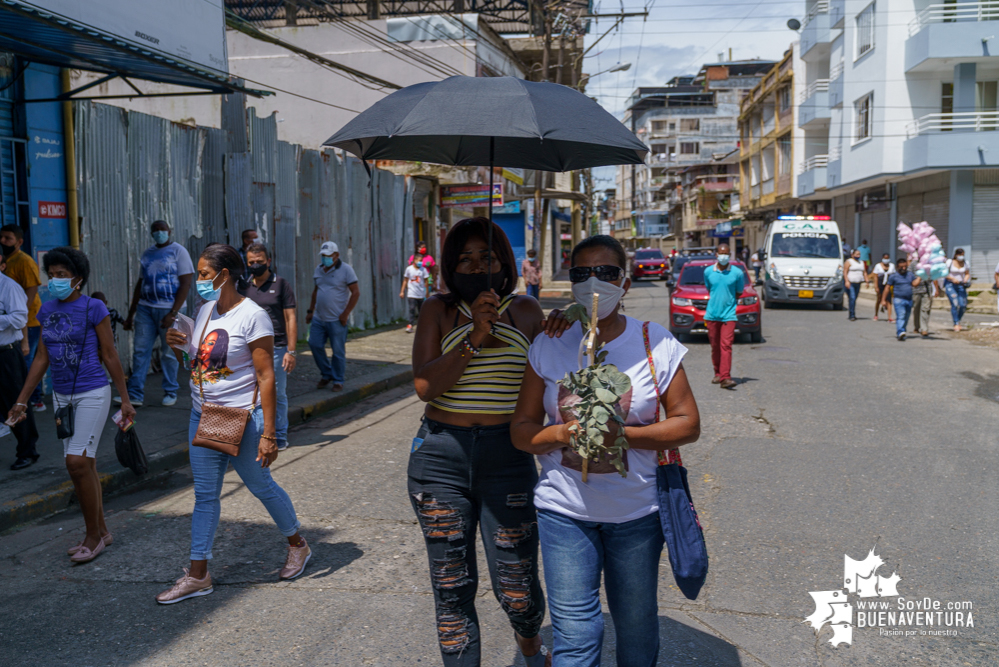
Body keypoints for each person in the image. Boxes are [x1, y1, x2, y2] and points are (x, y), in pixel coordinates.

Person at [511, 234, 701, 667]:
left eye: (606, 272)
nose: (594, 282)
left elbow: (688, 424)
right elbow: (522, 432)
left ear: (626, 282)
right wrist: (561, 436)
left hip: (636, 514)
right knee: (575, 636)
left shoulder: (656, 343)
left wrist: (622, 437)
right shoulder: (549, 342)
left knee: (635, 631)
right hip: (564, 513)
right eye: (582, 273)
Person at [409, 217, 566, 666]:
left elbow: (555, 380)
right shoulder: (437, 310)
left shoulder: (526, 311)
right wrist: (475, 337)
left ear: (504, 262)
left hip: (508, 456)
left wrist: (563, 328)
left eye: (487, 257)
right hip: (440, 457)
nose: (477, 266)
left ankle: (530, 643)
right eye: (465, 259)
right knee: (452, 584)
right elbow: (425, 386)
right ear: (449, 265)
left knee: (516, 586)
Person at [157, 243, 309, 604]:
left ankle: (298, 545)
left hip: (240, 419)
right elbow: (201, 364)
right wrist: (178, 345)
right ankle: (198, 574)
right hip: (203, 416)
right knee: (205, 497)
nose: (199, 281)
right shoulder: (205, 309)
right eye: (199, 275)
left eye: (205, 275)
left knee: (261, 486)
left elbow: (266, 377)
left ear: (225, 275)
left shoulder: (253, 316)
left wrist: (269, 434)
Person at [6, 247, 135, 563]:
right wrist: (21, 401)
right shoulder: (46, 310)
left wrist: (126, 399)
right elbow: (41, 357)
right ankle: (101, 531)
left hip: (92, 391)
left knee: (76, 463)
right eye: (52, 274)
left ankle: (92, 537)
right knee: (85, 465)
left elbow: (109, 354)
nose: (55, 280)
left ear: (78, 279)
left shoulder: (94, 308)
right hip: (61, 397)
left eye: (61, 275)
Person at [120, 221, 194, 408]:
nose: (160, 233)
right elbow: (140, 283)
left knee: (169, 352)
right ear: (152, 233)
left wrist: (173, 312)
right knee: (140, 351)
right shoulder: (147, 254)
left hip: (170, 310)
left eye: (163, 230)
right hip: (146, 308)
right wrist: (131, 314)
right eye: (156, 230)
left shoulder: (179, 252)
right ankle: (135, 394)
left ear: (169, 231)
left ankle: (171, 391)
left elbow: (185, 283)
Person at [239, 243, 297, 451]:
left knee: (276, 393)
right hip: (250, 348)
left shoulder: (281, 284)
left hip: (277, 347)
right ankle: (257, 433)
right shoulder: (244, 286)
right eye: (251, 262)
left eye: (260, 262)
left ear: (269, 262)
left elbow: (290, 318)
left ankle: (279, 435)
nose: (255, 265)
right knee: (252, 394)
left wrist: (291, 351)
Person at [0, 253, 39, 470]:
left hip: (6, 354)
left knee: (16, 403)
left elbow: (19, 318)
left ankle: (28, 451)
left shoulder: (8, 286)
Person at [1, 224, 44, 412]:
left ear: (19, 242)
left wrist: (22, 323)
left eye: (7, 238)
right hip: (18, 322)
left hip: (31, 321)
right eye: (1, 237)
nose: (3, 241)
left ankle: (32, 400)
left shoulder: (24, 261)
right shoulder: (7, 260)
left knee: (27, 362)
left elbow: (32, 288)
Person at [307, 241, 359, 392]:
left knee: (337, 352)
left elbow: (356, 292)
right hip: (319, 318)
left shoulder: (346, 270)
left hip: (336, 319)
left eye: (328, 256)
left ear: (336, 255)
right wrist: (310, 311)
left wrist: (346, 313)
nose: (325, 259)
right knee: (314, 344)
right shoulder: (319, 269)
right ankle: (326, 373)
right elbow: (316, 291)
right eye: (323, 256)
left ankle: (338, 380)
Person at [703, 243, 741, 389]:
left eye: (726, 253)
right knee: (715, 346)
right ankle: (718, 373)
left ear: (729, 255)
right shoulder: (708, 272)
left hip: (729, 315)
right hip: (712, 314)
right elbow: (709, 288)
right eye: (721, 253)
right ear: (716, 255)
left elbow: (739, 292)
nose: (723, 256)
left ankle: (726, 377)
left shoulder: (737, 273)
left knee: (726, 345)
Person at [882, 257, 921, 341]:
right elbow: (887, 288)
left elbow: (914, 284)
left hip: (909, 300)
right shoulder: (893, 276)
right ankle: (900, 332)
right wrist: (883, 300)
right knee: (901, 316)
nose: (903, 269)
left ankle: (902, 331)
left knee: (906, 317)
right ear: (897, 267)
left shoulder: (910, 275)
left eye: (905, 267)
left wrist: (920, 277)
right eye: (901, 267)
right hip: (899, 299)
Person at [400, 253, 429, 333]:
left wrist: (427, 292)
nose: (421, 262)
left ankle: (421, 326)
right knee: (412, 309)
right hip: (411, 293)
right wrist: (402, 291)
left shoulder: (423, 270)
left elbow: (426, 281)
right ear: (415, 260)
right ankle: (410, 325)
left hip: (420, 294)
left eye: (421, 261)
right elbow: (405, 280)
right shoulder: (409, 269)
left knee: (421, 311)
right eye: (419, 261)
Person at [943, 249, 970, 332]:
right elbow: (944, 273)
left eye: (963, 254)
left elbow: (967, 273)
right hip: (950, 284)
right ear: (956, 254)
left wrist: (965, 280)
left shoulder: (966, 263)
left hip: (961, 285)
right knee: (954, 303)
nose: (961, 256)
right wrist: (952, 278)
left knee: (963, 305)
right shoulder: (949, 262)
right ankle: (956, 323)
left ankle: (958, 319)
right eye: (960, 254)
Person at [911, 269, 938, 338]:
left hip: (927, 291)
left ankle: (924, 329)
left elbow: (934, 277)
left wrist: (936, 289)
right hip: (916, 290)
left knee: (925, 309)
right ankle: (917, 326)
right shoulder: (914, 264)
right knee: (916, 309)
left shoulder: (930, 265)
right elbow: (909, 276)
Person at [844, 249, 868, 321]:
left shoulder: (861, 263)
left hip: (858, 283)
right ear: (852, 254)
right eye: (857, 254)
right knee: (852, 297)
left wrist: (866, 280)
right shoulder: (849, 262)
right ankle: (852, 314)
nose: (858, 256)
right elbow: (845, 272)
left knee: (854, 299)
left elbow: (864, 272)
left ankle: (852, 311)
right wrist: (846, 281)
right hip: (851, 283)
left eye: (859, 254)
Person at [871, 254, 895, 322]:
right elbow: (875, 276)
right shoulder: (878, 266)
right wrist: (876, 286)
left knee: (888, 300)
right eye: (885, 258)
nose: (886, 259)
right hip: (880, 283)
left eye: (887, 258)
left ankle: (889, 316)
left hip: (888, 283)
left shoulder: (892, 266)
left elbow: (894, 275)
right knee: (879, 299)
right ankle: (876, 314)